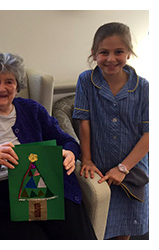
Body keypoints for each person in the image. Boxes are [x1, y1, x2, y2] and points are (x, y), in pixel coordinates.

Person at [0, 52, 96, 240]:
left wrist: (70, 152)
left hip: (45, 185)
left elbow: (66, 140)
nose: (2, 88)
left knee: (76, 235)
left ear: (17, 87)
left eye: (9, 81)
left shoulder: (32, 110)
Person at [73, 22, 149, 240]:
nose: (111, 59)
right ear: (94, 53)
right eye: (104, 52)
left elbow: (150, 133)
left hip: (132, 171)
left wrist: (123, 168)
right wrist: (86, 160)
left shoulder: (143, 87)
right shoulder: (85, 80)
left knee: (125, 230)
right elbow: (83, 121)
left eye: (119, 52)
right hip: (99, 169)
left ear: (128, 53)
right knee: (100, 228)